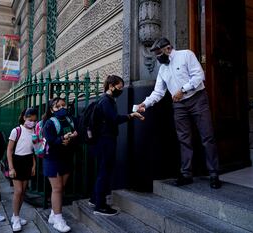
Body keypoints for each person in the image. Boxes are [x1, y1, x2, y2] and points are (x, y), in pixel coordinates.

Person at [135, 37, 222, 189]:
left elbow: (199, 76)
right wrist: (145, 104)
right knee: (183, 139)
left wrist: (183, 90)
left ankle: (214, 174)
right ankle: (186, 174)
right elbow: (158, 92)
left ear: (168, 48)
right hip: (179, 106)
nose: (157, 57)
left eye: (159, 53)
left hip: (197, 100)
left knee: (207, 137)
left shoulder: (186, 55)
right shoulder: (162, 69)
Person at [89, 75, 144, 216]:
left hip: (103, 140)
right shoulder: (106, 101)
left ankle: (95, 199)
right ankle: (100, 206)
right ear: (111, 86)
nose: (121, 90)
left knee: (102, 170)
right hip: (106, 140)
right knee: (104, 172)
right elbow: (113, 120)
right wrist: (131, 116)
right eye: (119, 87)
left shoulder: (106, 100)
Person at [42, 97, 77, 233]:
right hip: (53, 159)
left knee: (61, 188)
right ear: (52, 110)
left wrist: (72, 138)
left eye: (64, 105)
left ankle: (53, 214)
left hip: (66, 158)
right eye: (58, 107)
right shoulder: (49, 123)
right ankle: (58, 220)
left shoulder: (70, 120)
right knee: (57, 188)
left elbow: (76, 135)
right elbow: (49, 140)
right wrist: (62, 139)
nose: (62, 108)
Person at [7, 108, 37, 232]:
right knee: (18, 191)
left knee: (23, 191)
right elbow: (9, 150)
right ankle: (16, 217)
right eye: (30, 120)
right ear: (24, 117)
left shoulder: (35, 131)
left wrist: (34, 166)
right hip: (17, 162)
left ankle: (16, 215)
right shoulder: (16, 130)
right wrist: (11, 167)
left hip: (28, 161)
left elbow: (33, 151)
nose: (32, 122)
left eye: (34, 120)